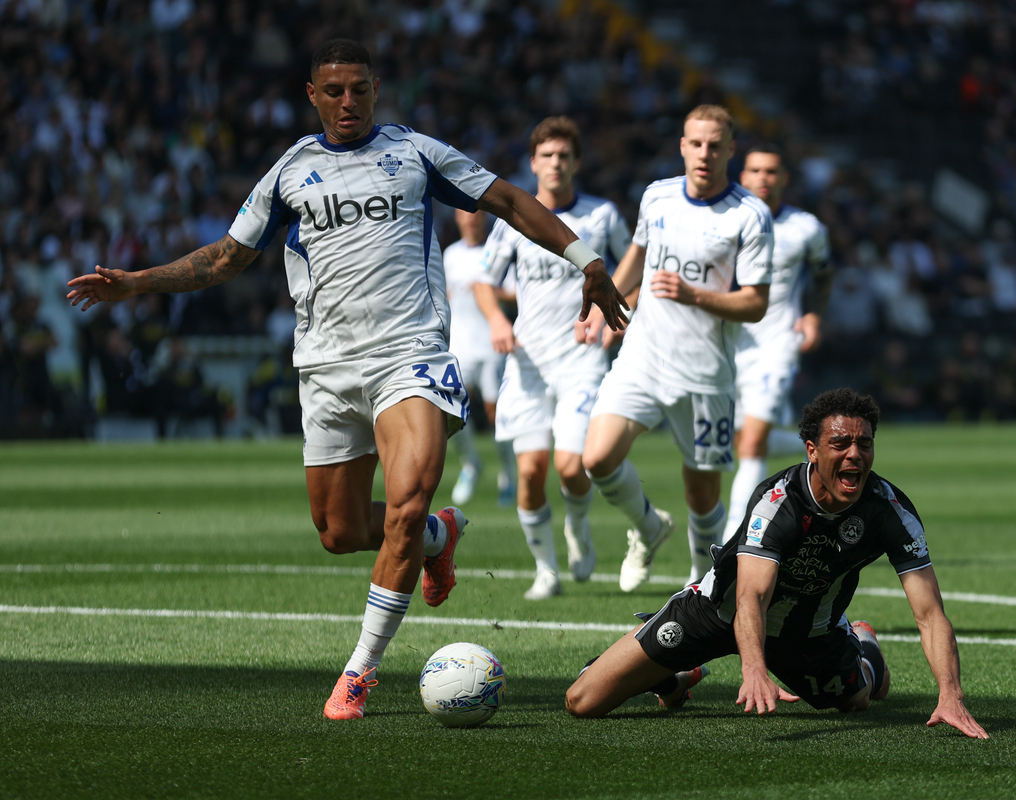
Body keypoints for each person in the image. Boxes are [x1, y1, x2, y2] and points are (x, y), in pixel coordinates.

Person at [66, 39, 628, 720]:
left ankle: (358, 673)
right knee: (336, 530)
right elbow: (224, 257)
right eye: (333, 91)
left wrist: (586, 259)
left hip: (409, 355)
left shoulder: (417, 152)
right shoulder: (291, 171)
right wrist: (137, 284)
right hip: (327, 367)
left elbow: (507, 198)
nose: (347, 102)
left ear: (376, 88)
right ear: (313, 95)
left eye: (359, 89)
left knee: (407, 499)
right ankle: (437, 542)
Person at [565, 388, 989, 740]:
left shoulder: (891, 512)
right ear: (812, 450)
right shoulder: (777, 503)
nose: (855, 454)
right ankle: (676, 674)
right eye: (840, 444)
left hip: (809, 633)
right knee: (582, 702)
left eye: (864, 443)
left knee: (858, 701)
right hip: (717, 611)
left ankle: (866, 648)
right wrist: (754, 669)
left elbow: (930, 614)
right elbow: (751, 596)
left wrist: (950, 694)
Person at [577, 104, 772, 590]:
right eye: (695, 143)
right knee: (597, 458)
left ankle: (700, 586)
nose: (704, 153)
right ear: (682, 146)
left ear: (730, 149)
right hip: (642, 358)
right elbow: (638, 258)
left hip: (705, 374)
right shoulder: (658, 197)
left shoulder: (750, 216)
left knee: (702, 496)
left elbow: (756, 304)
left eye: (715, 145)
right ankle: (647, 526)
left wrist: (694, 294)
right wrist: (606, 303)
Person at [475, 116, 631, 600]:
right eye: (547, 156)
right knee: (528, 471)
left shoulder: (602, 216)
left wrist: (612, 319)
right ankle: (546, 570)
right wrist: (499, 321)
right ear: (533, 163)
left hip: (581, 356)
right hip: (527, 361)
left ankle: (578, 529)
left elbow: (632, 271)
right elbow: (483, 281)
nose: (556, 164)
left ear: (576, 162)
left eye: (564, 155)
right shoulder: (516, 220)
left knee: (570, 466)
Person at [722, 144, 832, 543]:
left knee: (750, 442)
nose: (763, 178)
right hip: (726, 344)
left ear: (784, 177)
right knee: (742, 439)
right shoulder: (723, 220)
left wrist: (814, 315)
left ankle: (732, 536)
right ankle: (819, 447)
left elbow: (823, 273)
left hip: (777, 343)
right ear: (742, 176)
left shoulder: (806, 228)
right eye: (755, 171)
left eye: (772, 171)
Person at [442, 208, 517, 507]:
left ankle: (508, 478)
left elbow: (514, 292)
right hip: (459, 345)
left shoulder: (496, 252)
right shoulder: (450, 255)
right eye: (465, 214)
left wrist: (489, 291)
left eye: (476, 214)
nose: (471, 219)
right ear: (458, 219)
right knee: (450, 411)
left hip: (491, 344)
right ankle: (471, 464)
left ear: (484, 218)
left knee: (495, 413)